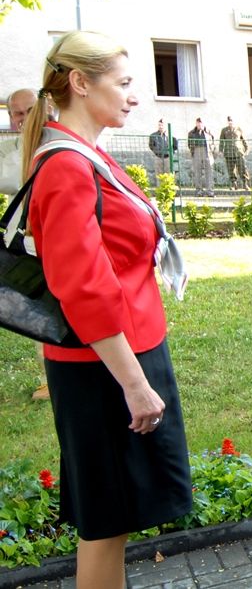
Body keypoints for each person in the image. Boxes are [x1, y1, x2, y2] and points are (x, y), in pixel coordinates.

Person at [19, 30, 191, 589]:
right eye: (123, 83)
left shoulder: (86, 155)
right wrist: (136, 386)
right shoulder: (68, 165)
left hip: (116, 357)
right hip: (106, 367)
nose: (133, 95)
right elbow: (84, 288)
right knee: (105, 521)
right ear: (79, 82)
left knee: (113, 518)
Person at [1, 88, 50, 401]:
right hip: (30, 248)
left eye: (29, 110)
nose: (23, 119)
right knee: (45, 313)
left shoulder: (59, 144)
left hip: (63, 244)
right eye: (16, 113)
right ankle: (53, 377)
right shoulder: (13, 150)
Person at [1, 88, 36, 194]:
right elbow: (7, 183)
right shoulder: (4, 148)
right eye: (19, 113)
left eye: (31, 111)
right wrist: (31, 141)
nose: (27, 117)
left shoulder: (60, 140)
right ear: (11, 117)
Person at [219, 116, 249, 190]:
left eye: (231, 121)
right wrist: (220, 151)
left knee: (242, 168)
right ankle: (233, 184)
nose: (230, 122)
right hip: (228, 152)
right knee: (231, 169)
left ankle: (245, 184)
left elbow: (243, 139)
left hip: (238, 152)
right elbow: (221, 141)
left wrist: (247, 148)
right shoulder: (224, 130)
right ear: (227, 122)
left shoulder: (239, 129)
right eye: (229, 121)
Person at [187, 117, 214, 197]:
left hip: (207, 152)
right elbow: (189, 144)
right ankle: (199, 191)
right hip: (196, 152)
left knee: (209, 172)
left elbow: (212, 142)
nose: (199, 124)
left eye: (201, 123)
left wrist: (212, 148)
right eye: (198, 123)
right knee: (197, 172)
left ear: (203, 124)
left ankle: (210, 191)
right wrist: (193, 151)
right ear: (196, 124)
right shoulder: (191, 133)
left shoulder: (208, 132)